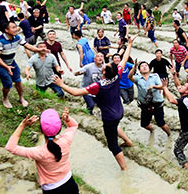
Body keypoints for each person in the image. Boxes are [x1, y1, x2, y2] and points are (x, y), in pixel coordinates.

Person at [53, 36, 137, 170]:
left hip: (109, 116)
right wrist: (130, 44)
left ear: (103, 72)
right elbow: (125, 58)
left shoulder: (98, 86)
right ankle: (128, 141)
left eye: (106, 65)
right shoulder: (117, 76)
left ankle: (124, 169)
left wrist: (61, 84)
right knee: (114, 126)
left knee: (112, 145)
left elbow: (75, 92)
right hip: (119, 111)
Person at [0, 20, 43, 109]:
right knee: (8, 83)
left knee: (18, 81)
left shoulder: (17, 37)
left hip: (11, 61)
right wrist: (6, 67)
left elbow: (28, 46)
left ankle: (21, 98)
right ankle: (5, 98)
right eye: (13, 27)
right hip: (0, 64)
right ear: (6, 30)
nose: (16, 29)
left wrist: (39, 50)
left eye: (16, 27)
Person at [164, 80, 188, 167]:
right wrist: (174, 76)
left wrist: (165, 87)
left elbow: (171, 100)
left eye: (184, 86)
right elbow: (178, 86)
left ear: (186, 91)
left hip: (187, 128)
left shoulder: (184, 100)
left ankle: (186, 166)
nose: (180, 86)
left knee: (177, 149)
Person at [131, 61, 171, 136]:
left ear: (149, 68)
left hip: (157, 103)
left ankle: (169, 134)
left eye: (146, 65)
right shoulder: (137, 78)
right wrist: (133, 68)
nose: (144, 67)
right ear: (139, 70)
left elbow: (161, 86)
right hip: (145, 105)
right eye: (142, 66)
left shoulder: (155, 76)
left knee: (161, 123)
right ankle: (152, 130)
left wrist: (153, 86)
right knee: (144, 124)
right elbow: (129, 77)